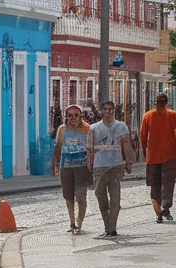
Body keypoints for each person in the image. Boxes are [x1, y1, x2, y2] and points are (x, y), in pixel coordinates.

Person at [89, 100, 134, 238]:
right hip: (99, 165)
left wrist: (129, 162)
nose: (108, 112)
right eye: (106, 109)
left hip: (116, 164)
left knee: (115, 197)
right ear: (101, 111)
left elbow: (126, 144)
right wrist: (89, 165)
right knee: (100, 196)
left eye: (111, 109)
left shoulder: (121, 126)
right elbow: (90, 149)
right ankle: (107, 226)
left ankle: (111, 228)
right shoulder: (93, 128)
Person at [140, 93, 176, 223]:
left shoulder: (148, 116)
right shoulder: (173, 115)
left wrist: (144, 152)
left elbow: (143, 136)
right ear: (167, 103)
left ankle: (158, 209)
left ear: (156, 103)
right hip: (170, 155)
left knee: (155, 183)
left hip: (153, 156)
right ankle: (166, 207)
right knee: (168, 183)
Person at [52, 104, 93, 234]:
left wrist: (91, 165)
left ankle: (80, 222)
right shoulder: (62, 129)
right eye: (70, 115)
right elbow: (58, 146)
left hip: (81, 167)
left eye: (76, 115)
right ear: (66, 117)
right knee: (68, 196)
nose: (73, 118)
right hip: (66, 166)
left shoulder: (86, 129)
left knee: (81, 197)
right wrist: (55, 163)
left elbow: (91, 148)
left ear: (81, 116)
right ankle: (72, 223)